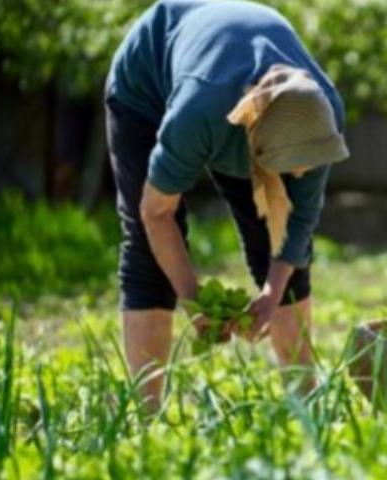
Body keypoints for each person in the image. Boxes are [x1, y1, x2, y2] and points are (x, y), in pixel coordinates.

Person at [105, 0, 348, 411]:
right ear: (256, 146)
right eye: (289, 167)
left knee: (285, 255)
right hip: (146, 85)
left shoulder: (319, 113)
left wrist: (272, 295)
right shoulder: (198, 114)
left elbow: (297, 224)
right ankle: (144, 415)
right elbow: (155, 212)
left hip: (233, 88)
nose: (302, 174)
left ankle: (307, 404)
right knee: (150, 255)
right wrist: (192, 298)